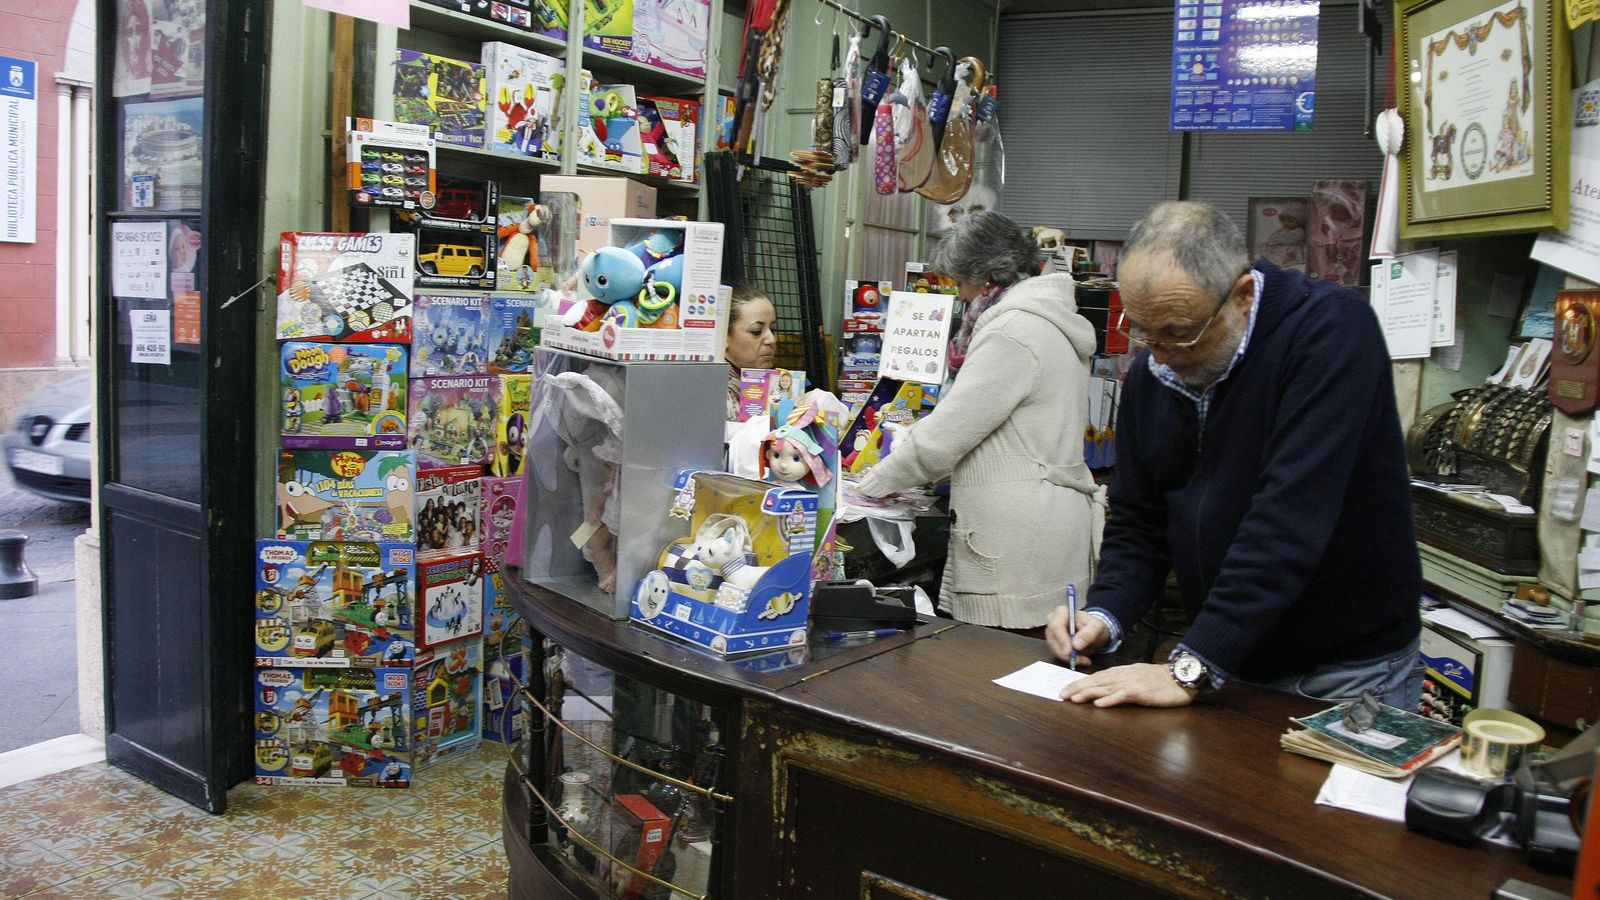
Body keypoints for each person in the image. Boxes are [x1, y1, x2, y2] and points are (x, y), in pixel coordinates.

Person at [1044, 201, 1422, 708]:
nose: (1159, 355)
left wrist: (1191, 666)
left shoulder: (1330, 333)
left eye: (1180, 333)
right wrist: (1105, 614)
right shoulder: (1152, 376)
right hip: (1230, 657)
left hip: (1344, 671)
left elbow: (1287, 521)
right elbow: (1139, 521)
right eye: (1143, 332)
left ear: (1242, 296)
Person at [855, 211, 1102, 633]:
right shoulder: (1048, 317)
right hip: (1050, 520)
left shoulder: (1013, 330)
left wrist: (870, 486)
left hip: (1020, 535)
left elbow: (949, 434)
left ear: (988, 276)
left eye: (961, 282)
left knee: (998, 668)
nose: (960, 294)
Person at [725, 285, 778, 420]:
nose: (771, 340)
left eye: (773, 329)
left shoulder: (776, 387)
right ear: (724, 336)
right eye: (756, 331)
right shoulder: (712, 396)